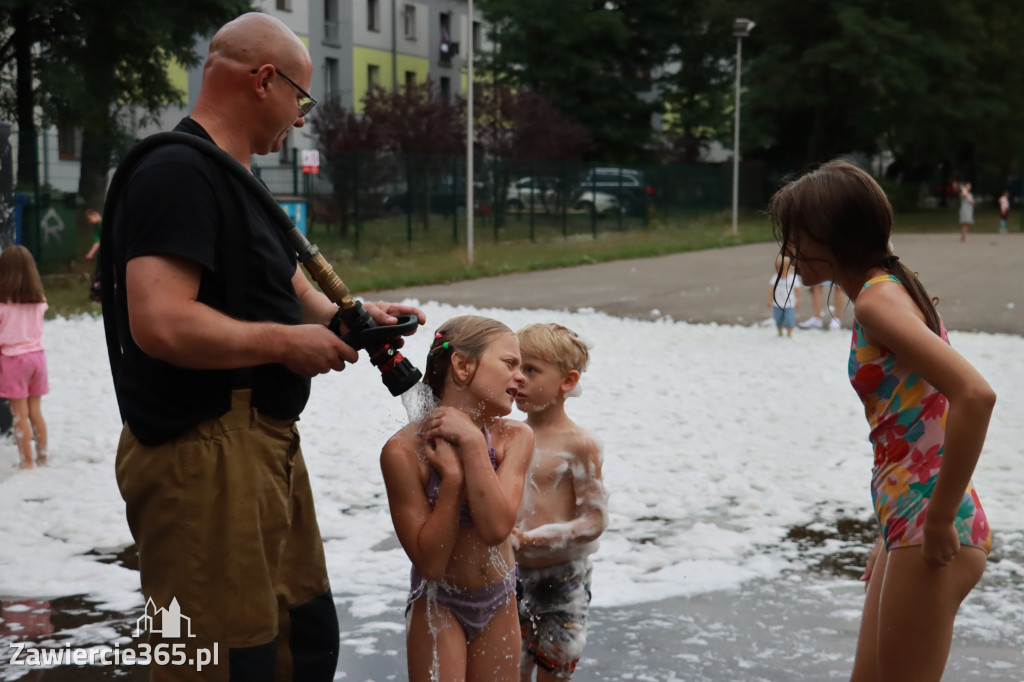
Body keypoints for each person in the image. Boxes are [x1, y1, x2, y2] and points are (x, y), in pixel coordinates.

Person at [106, 13, 425, 681]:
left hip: (264, 445)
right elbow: (159, 321)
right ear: (263, 81)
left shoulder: (235, 179)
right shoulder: (175, 173)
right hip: (204, 453)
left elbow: (287, 295)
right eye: (301, 98)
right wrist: (285, 344)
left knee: (297, 642)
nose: (302, 118)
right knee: (220, 663)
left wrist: (354, 319)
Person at [769, 159, 994, 682]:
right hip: (906, 519)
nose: (788, 250)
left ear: (829, 233)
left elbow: (975, 396)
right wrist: (888, 534)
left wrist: (935, 519)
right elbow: (922, 415)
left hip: (930, 522)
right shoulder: (886, 288)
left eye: (794, 235)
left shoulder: (878, 301)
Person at [380, 315, 534, 682]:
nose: (522, 377)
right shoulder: (403, 452)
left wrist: (471, 444)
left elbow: (497, 527)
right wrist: (450, 481)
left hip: (499, 598)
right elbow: (430, 564)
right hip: (438, 603)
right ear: (462, 366)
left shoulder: (516, 438)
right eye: (509, 364)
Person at [512, 323, 607, 681]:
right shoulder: (507, 435)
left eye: (531, 369)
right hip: (513, 577)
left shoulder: (579, 444)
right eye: (514, 367)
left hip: (563, 580)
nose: (518, 378)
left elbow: (595, 521)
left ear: (567, 382)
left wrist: (529, 539)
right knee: (509, 669)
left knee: (555, 669)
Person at [0, 245, 49, 469]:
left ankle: (26, 461)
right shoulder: (39, 300)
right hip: (38, 358)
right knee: (35, 411)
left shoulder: (2, 306)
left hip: (13, 361)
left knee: (19, 414)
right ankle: (42, 456)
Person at [767, 255, 802, 337]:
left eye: (783, 270)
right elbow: (772, 290)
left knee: (789, 320)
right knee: (778, 319)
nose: (781, 272)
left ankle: (789, 333)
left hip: (789, 304)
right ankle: (780, 332)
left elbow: (798, 290)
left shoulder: (793, 278)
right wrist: (769, 300)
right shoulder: (775, 278)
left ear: (789, 269)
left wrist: (798, 300)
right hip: (777, 304)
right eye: (779, 270)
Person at [83, 208, 102, 302]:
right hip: (104, 252)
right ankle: (97, 293)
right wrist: (91, 253)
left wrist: (91, 253)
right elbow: (97, 241)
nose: (91, 222)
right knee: (99, 271)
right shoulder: (96, 227)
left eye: (90, 220)